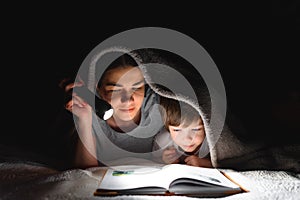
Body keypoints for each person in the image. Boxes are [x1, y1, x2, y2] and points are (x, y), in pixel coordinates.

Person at [62, 51, 164, 168]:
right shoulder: (89, 109)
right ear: (98, 88)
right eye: (115, 90)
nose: (128, 100)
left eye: (136, 88)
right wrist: (84, 120)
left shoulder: (157, 106)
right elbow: (85, 175)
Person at [152, 96, 212, 167]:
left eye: (195, 129)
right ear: (168, 128)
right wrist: (164, 160)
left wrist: (206, 164)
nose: (187, 139)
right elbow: (152, 161)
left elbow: (225, 161)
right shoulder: (163, 141)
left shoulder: (212, 141)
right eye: (177, 130)